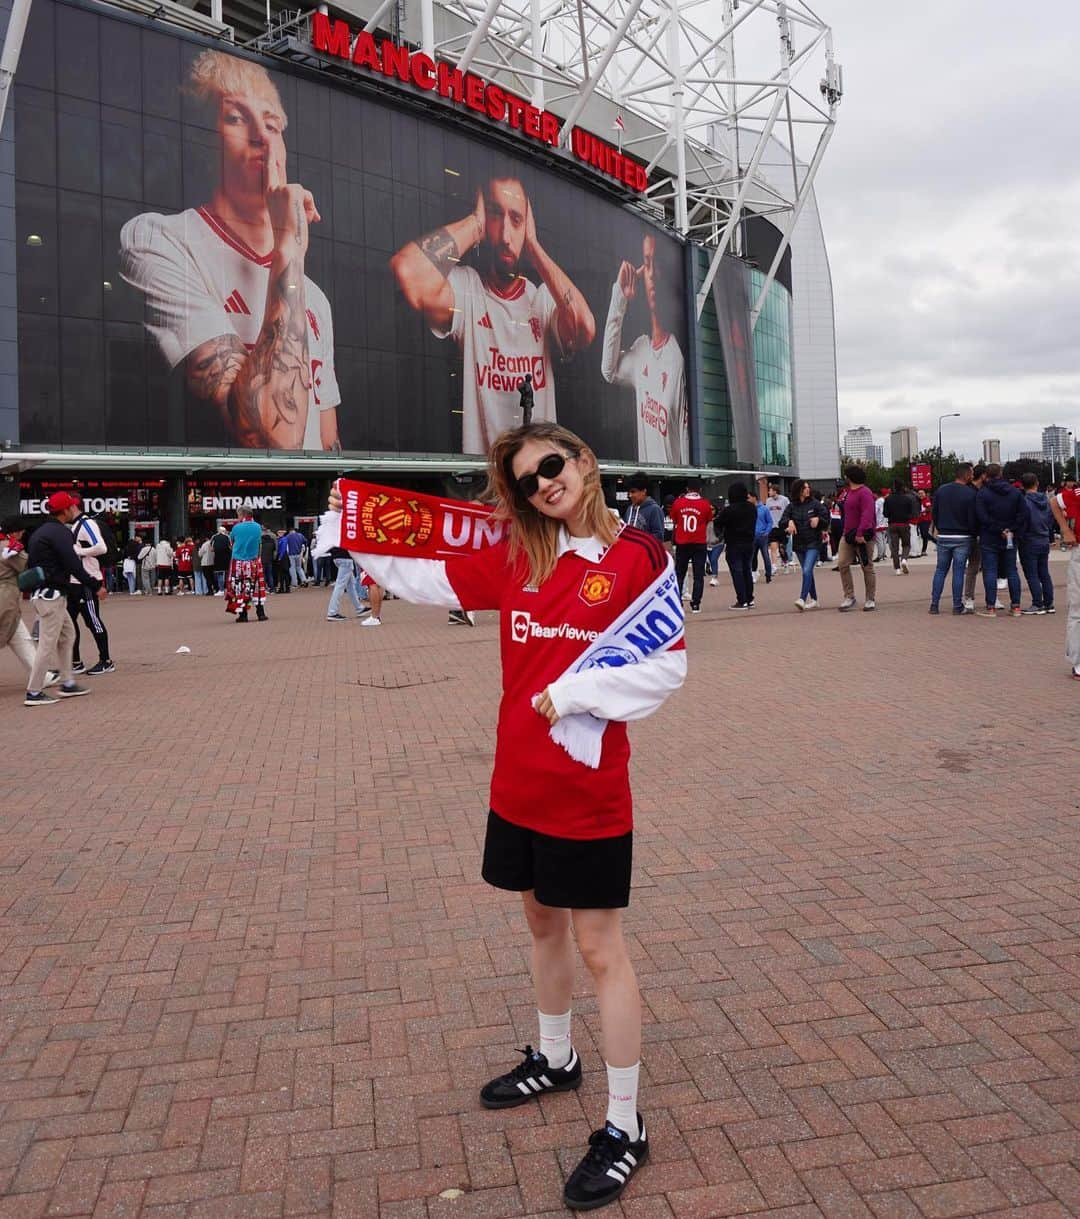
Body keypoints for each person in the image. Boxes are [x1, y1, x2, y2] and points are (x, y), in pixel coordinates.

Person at [327, 420, 684, 1209]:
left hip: (589, 795)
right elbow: (433, 579)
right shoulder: (523, 553)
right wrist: (350, 531)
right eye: (526, 480)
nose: (542, 485)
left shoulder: (638, 560)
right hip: (515, 784)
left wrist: (577, 693)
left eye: (551, 466)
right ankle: (555, 1058)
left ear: (585, 462)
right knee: (540, 923)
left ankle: (626, 1126)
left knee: (601, 948)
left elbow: (668, 666)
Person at [120, 51, 341, 452]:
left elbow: (327, 443)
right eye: (236, 117)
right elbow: (275, 435)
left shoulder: (315, 299)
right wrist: (289, 242)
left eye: (272, 124)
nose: (261, 136)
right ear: (204, 142)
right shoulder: (158, 239)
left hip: (310, 508)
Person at [390, 176, 595, 454]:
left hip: (538, 482)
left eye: (517, 219)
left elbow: (585, 329)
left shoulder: (543, 300)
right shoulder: (467, 289)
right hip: (485, 481)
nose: (506, 236)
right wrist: (475, 224)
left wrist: (533, 246)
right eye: (496, 215)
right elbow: (408, 272)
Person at [600, 233, 688, 463]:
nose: (653, 275)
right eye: (647, 264)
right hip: (649, 479)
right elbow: (608, 371)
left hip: (676, 481)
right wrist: (619, 298)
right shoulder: (642, 350)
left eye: (658, 264)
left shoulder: (681, 356)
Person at [24, 493, 97, 707]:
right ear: (65, 510)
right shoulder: (60, 533)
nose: (73, 510)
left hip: (47, 594)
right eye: (71, 507)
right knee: (47, 644)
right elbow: (73, 564)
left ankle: (67, 682)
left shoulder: (40, 532)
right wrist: (94, 585)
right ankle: (34, 691)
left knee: (67, 635)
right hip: (51, 596)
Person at [67, 500, 114, 675]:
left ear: (72, 507)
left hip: (87, 581)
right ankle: (75, 661)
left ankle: (106, 660)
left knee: (93, 622)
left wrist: (79, 551)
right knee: (69, 623)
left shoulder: (87, 524)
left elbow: (101, 547)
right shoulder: (77, 525)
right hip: (75, 581)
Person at [974, 463, 1026, 618]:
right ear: (1001, 473)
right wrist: (1011, 529)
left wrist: (998, 529)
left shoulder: (983, 493)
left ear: (986, 475)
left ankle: (991, 607)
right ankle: (1016, 606)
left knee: (990, 571)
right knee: (1012, 570)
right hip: (1010, 536)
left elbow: (982, 516)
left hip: (990, 537)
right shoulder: (1015, 493)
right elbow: (1023, 514)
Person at [929, 462, 976, 615]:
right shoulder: (970, 493)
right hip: (962, 536)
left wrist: (940, 527)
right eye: (972, 473)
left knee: (940, 570)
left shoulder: (942, 490)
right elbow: (972, 518)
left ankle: (934, 604)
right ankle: (957, 605)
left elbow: (934, 513)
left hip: (944, 534)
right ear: (967, 475)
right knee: (958, 571)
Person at [779, 480, 828, 610]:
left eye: (808, 487)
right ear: (798, 490)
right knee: (808, 572)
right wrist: (789, 522)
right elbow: (782, 521)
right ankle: (815, 599)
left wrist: (819, 520)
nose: (808, 490)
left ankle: (802, 598)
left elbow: (826, 519)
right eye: (805, 488)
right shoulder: (791, 506)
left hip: (814, 542)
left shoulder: (815, 504)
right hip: (799, 544)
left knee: (806, 570)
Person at [1048, 480, 1079, 678]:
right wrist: (1065, 530)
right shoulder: (1076, 493)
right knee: (1077, 607)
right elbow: (1054, 502)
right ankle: (1078, 660)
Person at [836, 465, 877, 612]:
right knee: (842, 563)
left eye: (846, 476)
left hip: (863, 536)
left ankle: (870, 599)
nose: (844, 478)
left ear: (850, 477)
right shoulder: (847, 492)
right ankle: (849, 596)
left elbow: (867, 513)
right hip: (847, 534)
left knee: (867, 566)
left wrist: (860, 532)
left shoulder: (865, 492)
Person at [669, 479, 713, 613]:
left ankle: (678, 601)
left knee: (680, 573)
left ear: (687, 489)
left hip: (682, 542)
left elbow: (674, 519)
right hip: (699, 542)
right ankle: (696, 604)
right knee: (698, 575)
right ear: (700, 490)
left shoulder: (678, 503)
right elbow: (708, 521)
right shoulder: (705, 504)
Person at [715, 482, 757, 609]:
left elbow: (718, 522)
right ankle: (749, 598)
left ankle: (742, 600)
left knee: (737, 572)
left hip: (734, 543)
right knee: (746, 570)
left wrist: (720, 534)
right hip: (749, 543)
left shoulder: (729, 510)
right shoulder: (752, 508)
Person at [1018, 473, 1054, 615]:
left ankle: (1037, 603)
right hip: (1043, 538)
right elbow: (1051, 519)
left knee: (1032, 574)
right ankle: (1049, 603)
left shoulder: (1024, 502)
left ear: (1022, 485)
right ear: (1037, 483)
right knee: (1044, 572)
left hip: (1029, 540)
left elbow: (1023, 521)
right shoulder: (1046, 500)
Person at [226, 507, 267, 623]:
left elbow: (231, 543)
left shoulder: (236, 527)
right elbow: (259, 544)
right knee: (257, 588)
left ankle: (243, 615)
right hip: (254, 561)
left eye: (238, 515)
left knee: (240, 588)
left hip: (238, 561)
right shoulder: (258, 527)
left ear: (242, 515)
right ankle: (261, 613)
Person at [962, 464, 989, 610]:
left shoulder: (972, 490)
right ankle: (969, 597)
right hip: (973, 533)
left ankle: (986, 598)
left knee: (981, 566)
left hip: (977, 532)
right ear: (983, 476)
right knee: (974, 565)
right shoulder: (972, 492)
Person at [326, 547, 371, 621]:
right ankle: (332, 612)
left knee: (350, 585)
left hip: (337, 557)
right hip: (345, 557)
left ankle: (359, 608)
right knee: (340, 586)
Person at [883, 479, 915, 575]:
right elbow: (911, 513)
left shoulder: (888, 499)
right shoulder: (907, 499)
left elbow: (885, 514)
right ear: (903, 487)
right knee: (906, 545)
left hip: (892, 525)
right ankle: (904, 559)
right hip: (904, 524)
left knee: (894, 548)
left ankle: (897, 569)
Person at [622, 473, 664, 542]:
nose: (630, 495)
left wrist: (640, 541)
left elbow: (658, 536)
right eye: (629, 492)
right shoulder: (630, 509)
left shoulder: (654, 509)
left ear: (644, 491)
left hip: (645, 551)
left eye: (633, 492)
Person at [765, 483, 791, 572]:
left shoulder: (784, 500)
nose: (769, 492)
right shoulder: (768, 501)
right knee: (773, 548)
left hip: (783, 527)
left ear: (775, 491)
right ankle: (774, 566)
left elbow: (789, 511)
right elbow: (766, 513)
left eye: (770, 490)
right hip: (773, 527)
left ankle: (785, 562)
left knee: (782, 548)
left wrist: (789, 525)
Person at [749, 491, 773, 585]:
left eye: (749, 497)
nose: (748, 499)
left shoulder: (764, 509)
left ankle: (768, 575)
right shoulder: (749, 509)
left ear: (754, 498)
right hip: (753, 536)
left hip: (762, 537)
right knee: (753, 556)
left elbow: (770, 522)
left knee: (766, 556)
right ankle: (754, 574)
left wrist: (766, 532)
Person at [211, 526, 231, 594]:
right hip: (227, 558)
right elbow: (230, 546)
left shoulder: (214, 537)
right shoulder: (227, 537)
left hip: (218, 558)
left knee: (219, 574)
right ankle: (227, 589)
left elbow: (212, 548)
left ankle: (221, 589)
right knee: (227, 574)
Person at [916, 490, 933, 556]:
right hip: (920, 520)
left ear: (925, 494)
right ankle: (934, 541)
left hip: (926, 519)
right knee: (923, 535)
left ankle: (924, 550)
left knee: (925, 533)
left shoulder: (927, 500)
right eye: (919, 493)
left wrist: (922, 511)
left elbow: (929, 508)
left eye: (922, 493)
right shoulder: (918, 501)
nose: (920, 495)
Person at [874, 489, 888, 562]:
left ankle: (880, 556)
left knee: (879, 541)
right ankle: (883, 555)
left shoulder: (878, 501)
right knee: (883, 540)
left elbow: (875, 512)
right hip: (884, 522)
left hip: (878, 523)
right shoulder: (885, 501)